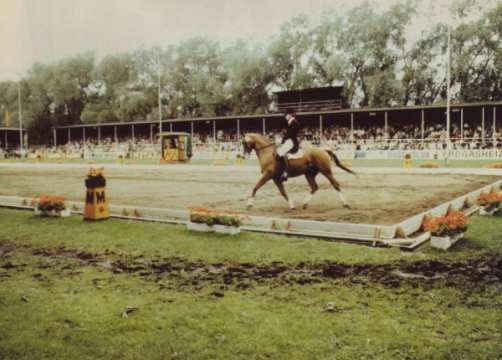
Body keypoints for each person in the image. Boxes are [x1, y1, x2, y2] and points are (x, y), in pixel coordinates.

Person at [277, 108, 300, 182]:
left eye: (286, 115)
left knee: (281, 153)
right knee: (278, 151)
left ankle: (286, 172)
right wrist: (282, 140)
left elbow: (292, 134)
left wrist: (283, 139)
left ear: (290, 115)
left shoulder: (294, 122)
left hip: (292, 142)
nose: (285, 117)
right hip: (289, 141)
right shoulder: (290, 122)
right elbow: (288, 134)